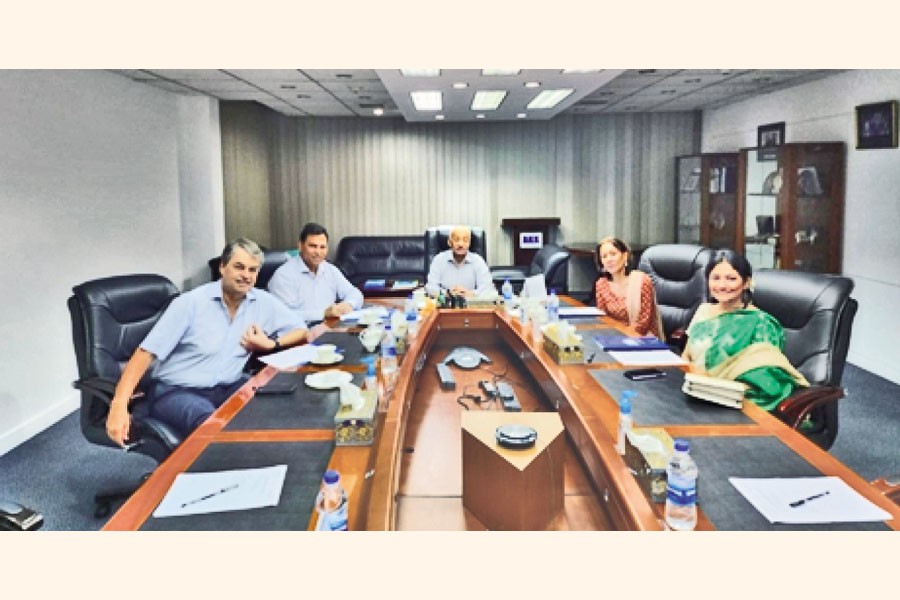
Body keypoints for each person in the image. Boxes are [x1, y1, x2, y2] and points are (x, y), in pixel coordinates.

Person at [105, 238, 309, 445]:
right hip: (177, 391)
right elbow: (145, 353)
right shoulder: (190, 304)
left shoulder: (262, 302)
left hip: (229, 387)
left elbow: (301, 330)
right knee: (215, 428)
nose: (246, 276)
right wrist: (119, 405)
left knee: (276, 412)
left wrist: (271, 344)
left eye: (252, 270)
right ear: (222, 267)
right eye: (239, 267)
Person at [682, 249, 809, 411]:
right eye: (715, 278)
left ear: (747, 282)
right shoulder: (703, 311)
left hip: (735, 402)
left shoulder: (761, 323)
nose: (722, 285)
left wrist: (715, 385)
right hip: (694, 392)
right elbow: (686, 355)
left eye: (731, 279)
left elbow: (766, 378)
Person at [268, 222, 364, 323]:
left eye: (322, 247)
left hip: (328, 328)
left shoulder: (329, 269)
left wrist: (349, 304)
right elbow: (284, 315)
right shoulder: (283, 276)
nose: (318, 252)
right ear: (300, 246)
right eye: (313, 246)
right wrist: (323, 314)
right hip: (299, 334)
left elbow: (354, 293)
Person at [594, 237, 664, 339]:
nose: (609, 259)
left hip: (643, 339)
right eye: (604, 256)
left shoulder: (642, 281)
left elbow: (643, 324)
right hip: (613, 338)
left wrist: (623, 338)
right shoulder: (601, 284)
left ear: (625, 256)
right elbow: (603, 319)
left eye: (613, 254)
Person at [425, 225, 492, 297]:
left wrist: (472, 294)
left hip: (471, 304)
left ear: (469, 243)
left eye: (465, 240)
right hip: (446, 304)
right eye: (456, 240)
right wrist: (447, 293)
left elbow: (487, 288)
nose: (461, 244)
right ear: (450, 242)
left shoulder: (478, 261)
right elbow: (430, 287)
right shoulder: (438, 260)